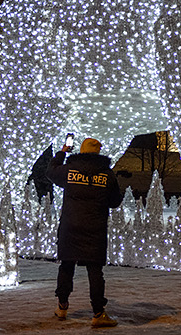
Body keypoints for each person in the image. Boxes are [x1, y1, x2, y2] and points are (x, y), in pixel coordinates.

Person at [49, 137, 126, 328]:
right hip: (94, 228)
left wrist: (63, 151)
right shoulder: (107, 175)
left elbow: (50, 171)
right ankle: (98, 313)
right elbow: (115, 202)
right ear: (98, 152)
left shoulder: (69, 171)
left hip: (70, 226)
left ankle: (62, 306)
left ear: (81, 151)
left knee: (67, 265)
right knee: (95, 270)